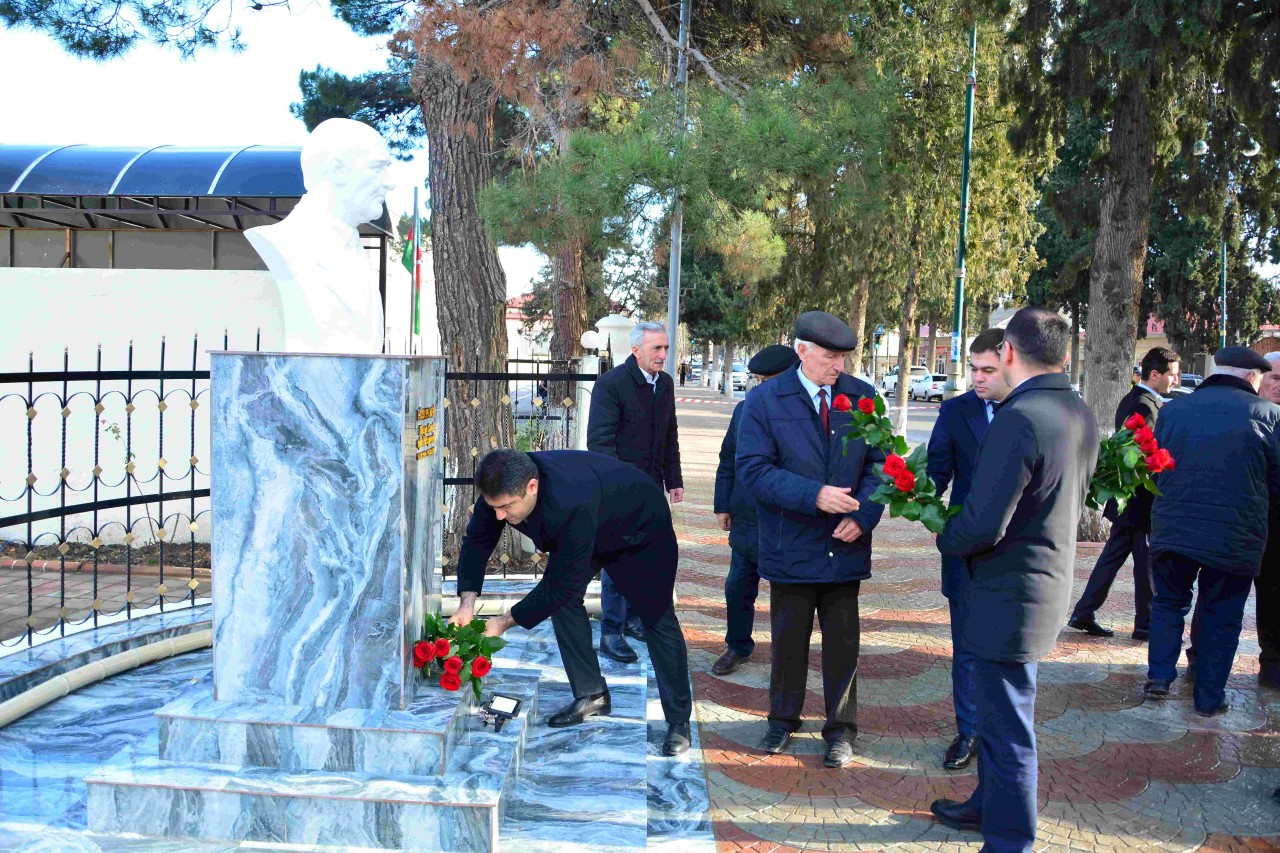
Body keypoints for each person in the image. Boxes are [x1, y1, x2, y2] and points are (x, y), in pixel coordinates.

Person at [929, 307, 1099, 852]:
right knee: (999, 719)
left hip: (1008, 595)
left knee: (1007, 733)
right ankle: (986, 806)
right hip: (1039, 586)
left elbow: (982, 524)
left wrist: (944, 537)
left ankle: (1010, 841)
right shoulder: (1076, 409)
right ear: (1064, 355)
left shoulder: (1019, 417)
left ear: (1006, 353)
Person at [452, 449, 694, 755]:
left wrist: (502, 623)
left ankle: (678, 720)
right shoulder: (500, 484)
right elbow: (477, 541)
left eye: (506, 508)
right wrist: (466, 604)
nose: (499, 516)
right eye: (494, 507)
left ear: (532, 486)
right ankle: (592, 694)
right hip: (588, 526)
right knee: (563, 603)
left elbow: (561, 584)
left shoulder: (570, 498)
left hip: (638, 531)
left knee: (657, 619)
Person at [736, 311, 885, 770]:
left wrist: (865, 516)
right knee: (788, 639)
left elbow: (882, 465)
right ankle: (782, 720)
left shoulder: (863, 398)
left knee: (843, 644)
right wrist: (814, 495)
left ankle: (841, 731)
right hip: (790, 544)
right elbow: (753, 470)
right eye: (829, 357)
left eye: (843, 357)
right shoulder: (765, 401)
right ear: (802, 352)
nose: (838, 366)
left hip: (845, 546)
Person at [1143, 347, 1280, 716]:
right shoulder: (1269, 416)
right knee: (1222, 615)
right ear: (1253, 376)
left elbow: (1154, 465)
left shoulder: (1172, 410)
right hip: (1236, 536)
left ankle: (1158, 677)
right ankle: (1208, 698)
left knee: (1169, 603)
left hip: (1173, 529)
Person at [925, 328, 1011, 771]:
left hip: (1018, 553)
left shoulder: (1031, 409)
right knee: (967, 646)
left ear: (1010, 363)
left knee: (1012, 649)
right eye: (973, 369)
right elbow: (937, 472)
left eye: (987, 370)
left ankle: (1006, 733)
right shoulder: (956, 411)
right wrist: (919, 494)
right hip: (965, 551)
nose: (977, 378)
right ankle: (969, 731)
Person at [245, 118, 393, 354]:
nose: (390, 183)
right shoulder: (285, 243)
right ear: (337, 170)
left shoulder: (355, 250)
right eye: (377, 168)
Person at [586, 321, 684, 664]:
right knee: (617, 558)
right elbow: (599, 442)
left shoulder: (666, 384)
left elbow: (669, 434)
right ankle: (611, 631)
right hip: (619, 490)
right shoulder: (611, 384)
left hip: (652, 489)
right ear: (636, 350)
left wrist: (674, 479)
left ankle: (633, 619)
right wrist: (617, 488)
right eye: (656, 349)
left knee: (646, 555)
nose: (662, 355)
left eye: (665, 349)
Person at [1068, 346, 1181, 641]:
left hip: (1132, 501)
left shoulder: (1139, 399)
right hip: (1140, 500)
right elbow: (1144, 455)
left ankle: (1084, 611)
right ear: (1155, 374)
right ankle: (1144, 623)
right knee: (1145, 563)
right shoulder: (1143, 404)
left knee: (1116, 556)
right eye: (1173, 375)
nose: (1175, 381)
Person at [711, 344, 800, 677]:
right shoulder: (744, 410)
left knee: (788, 596)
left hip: (787, 521)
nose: (760, 387)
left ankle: (788, 656)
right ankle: (737, 646)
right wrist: (722, 504)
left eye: (768, 379)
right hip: (747, 518)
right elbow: (727, 459)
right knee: (737, 588)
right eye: (758, 380)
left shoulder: (804, 413)